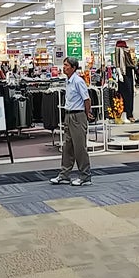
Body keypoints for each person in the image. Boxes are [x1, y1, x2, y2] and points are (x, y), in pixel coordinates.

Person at [50, 57, 94, 186]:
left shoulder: (78, 81)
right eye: (64, 65)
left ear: (73, 68)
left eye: (66, 65)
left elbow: (87, 99)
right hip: (68, 115)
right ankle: (64, 175)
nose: (64, 67)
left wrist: (88, 113)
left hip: (78, 116)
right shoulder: (68, 81)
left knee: (79, 147)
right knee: (67, 147)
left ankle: (85, 176)